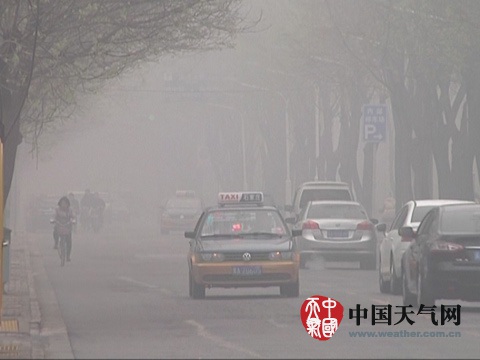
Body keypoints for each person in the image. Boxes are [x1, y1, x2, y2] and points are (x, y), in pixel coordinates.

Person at [53, 196, 75, 261]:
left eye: (65, 203)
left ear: (68, 204)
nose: (64, 205)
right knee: (55, 231)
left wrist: (73, 221)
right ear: (60, 203)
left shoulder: (70, 210)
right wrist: (53, 220)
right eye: (62, 203)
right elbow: (54, 216)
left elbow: (73, 216)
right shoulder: (57, 209)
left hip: (67, 226)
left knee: (69, 242)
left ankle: (68, 256)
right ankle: (56, 243)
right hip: (59, 225)